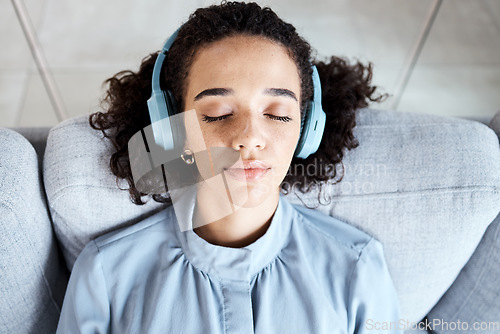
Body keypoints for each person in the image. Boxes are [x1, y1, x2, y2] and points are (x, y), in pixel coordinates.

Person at [57, 2, 401, 333]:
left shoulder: (357, 268)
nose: (250, 138)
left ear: (307, 128)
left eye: (278, 113)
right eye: (218, 113)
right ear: (171, 126)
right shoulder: (105, 275)